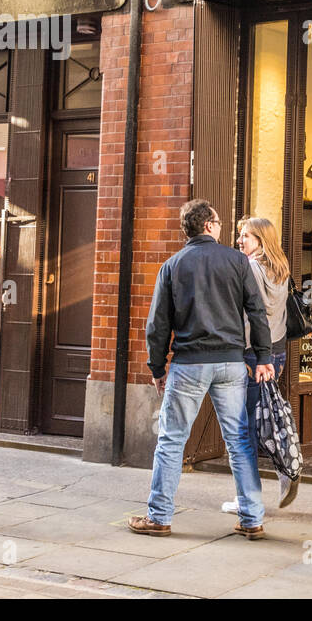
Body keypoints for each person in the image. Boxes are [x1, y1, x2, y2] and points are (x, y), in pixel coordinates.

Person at [129, 199, 276, 540]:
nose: (223, 227)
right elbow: (257, 313)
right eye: (220, 221)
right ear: (208, 225)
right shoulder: (238, 261)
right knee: (239, 441)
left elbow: (157, 325)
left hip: (189, 365)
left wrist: (156, 366)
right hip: (230, 364)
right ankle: (252, 519)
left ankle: (159, 518)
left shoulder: (173, 265)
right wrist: (264, 357)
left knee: (171, 440)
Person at [221, 216, 301, 512]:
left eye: (245, 236)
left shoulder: (250, 268)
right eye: (240, 235)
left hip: (253, 355)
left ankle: (248, 498)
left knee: (245, 428)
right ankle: (285, 468)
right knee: (268, 415)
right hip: (275, 354)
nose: (239, 240)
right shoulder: (280, 267)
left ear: (261, 240)